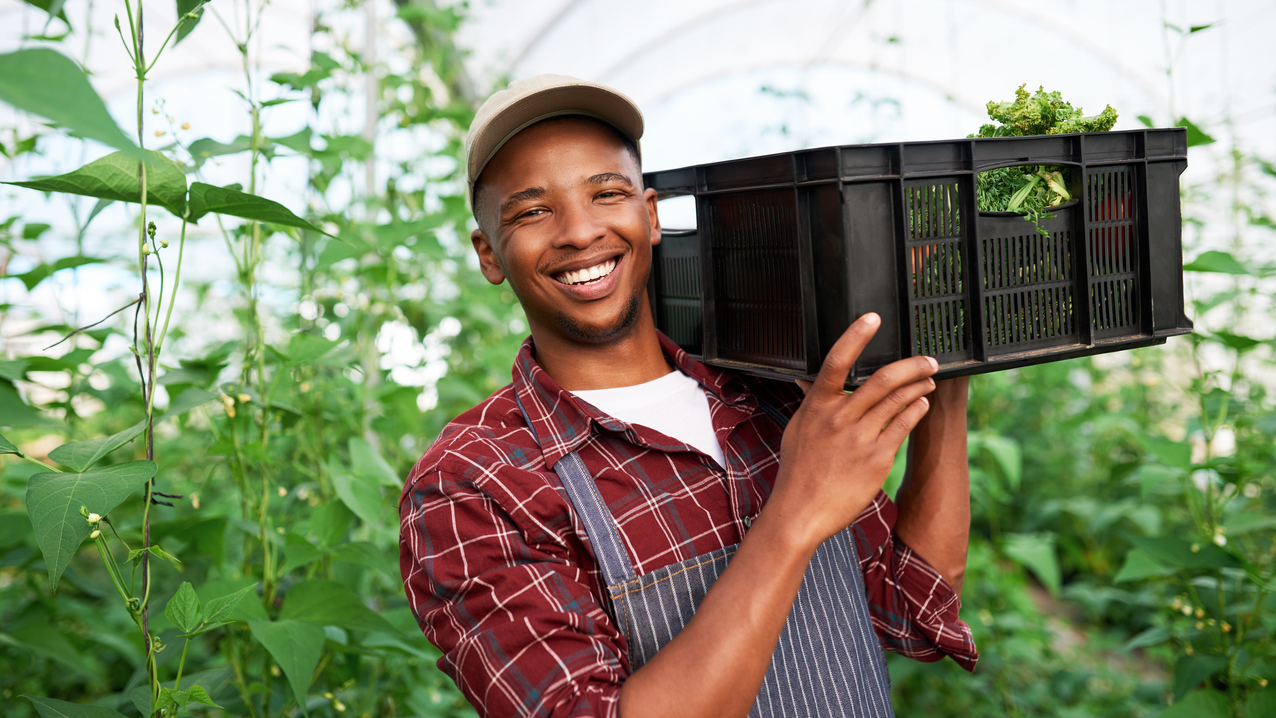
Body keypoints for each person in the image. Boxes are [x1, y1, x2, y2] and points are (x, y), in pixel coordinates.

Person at [399, 74, 977, 718]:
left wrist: (945, 377)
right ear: (489, 254)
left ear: (649, 218)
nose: (579, 231)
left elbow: (915, 604)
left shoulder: (767, 393)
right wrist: (795, 511)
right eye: (533, 211)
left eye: (607, 193)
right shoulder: (473, 485)